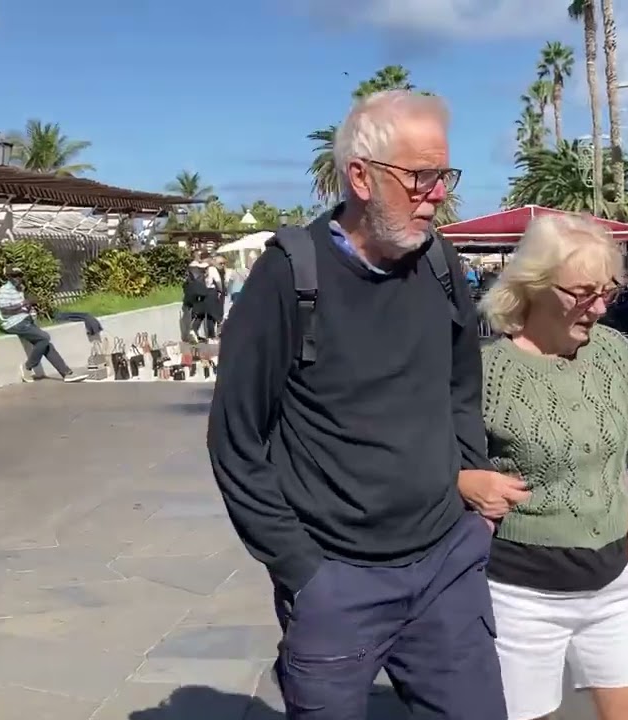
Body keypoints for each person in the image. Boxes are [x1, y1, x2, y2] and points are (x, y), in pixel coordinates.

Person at [207, 90, 507, 720]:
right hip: (336, 583)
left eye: (444, 175)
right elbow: (236, 440)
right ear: (361, 178)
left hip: (447, 565)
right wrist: (303, 571)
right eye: (421, 177)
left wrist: (471, 513)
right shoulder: (289, 278)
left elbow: (461, 385)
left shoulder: (441, 263)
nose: (438, 194)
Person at [476, 214, 628, 720]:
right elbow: (433, 461)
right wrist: (465, 480)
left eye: (608, 289)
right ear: (536, 286)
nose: (602, 306)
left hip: (614, 586)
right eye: (584, 292)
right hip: (518, 596)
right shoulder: (488, 372)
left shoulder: (616, 354)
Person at [0, 268, 86, 383]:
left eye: (19, 275)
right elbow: (5, 310)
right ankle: (27, 367)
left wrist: (29, 306)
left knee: (46, 345)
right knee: (44, 337)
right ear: (8, 277)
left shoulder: (19, 290)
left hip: (25, 321)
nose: (18, 278)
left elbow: (22, 308)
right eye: (14, 276)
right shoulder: (4, 291)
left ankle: (66, 373)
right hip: (14, 323)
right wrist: (23, 304)